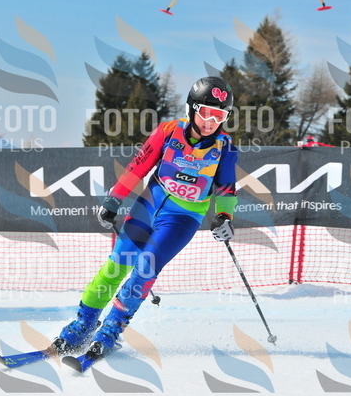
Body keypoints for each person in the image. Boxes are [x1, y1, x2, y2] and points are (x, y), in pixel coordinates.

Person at [53, 76, 239, 357]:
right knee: (116, 266)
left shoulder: (225, 148)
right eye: (205, 112)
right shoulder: (168, 132)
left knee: (145, 269)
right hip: (148, 206)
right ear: (191, 109)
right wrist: (115, 198)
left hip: (183, 217)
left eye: (219, 116)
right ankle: (82, 326)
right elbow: (138, 166)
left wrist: (224, 216)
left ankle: (110, 330)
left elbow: (226, 188)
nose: (211, 121)